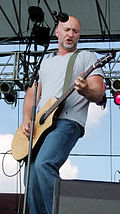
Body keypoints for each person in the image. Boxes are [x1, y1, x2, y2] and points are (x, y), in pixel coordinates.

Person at [23, 16, 104, 214]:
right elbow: (31, 95)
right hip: (42, 127)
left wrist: (85, 89)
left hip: (68, 121)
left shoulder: (86, 57)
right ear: (57, 32)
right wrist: (27, 118)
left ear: (79, 35)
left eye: (75, 31)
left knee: (44, 163)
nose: (71, 34)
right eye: (67, 30)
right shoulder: (46, 64)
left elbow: (98, 92)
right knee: (30, 176)